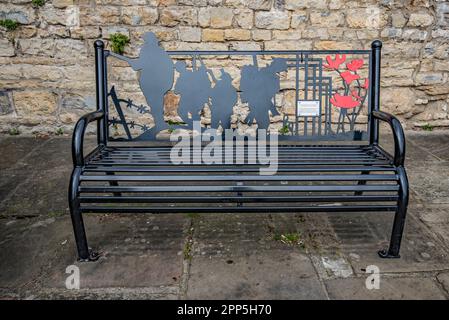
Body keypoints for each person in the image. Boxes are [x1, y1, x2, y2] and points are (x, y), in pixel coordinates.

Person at [240, 57, 288, 130]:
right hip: (258, 102)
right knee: (264, 123)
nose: (281, 71)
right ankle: (259, 138)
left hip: (262, 102)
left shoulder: (272, 75)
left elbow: (273, 90)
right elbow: (258, 87)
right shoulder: (265, 73)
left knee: (264, 123)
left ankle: (259, 138)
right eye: (281, 68)